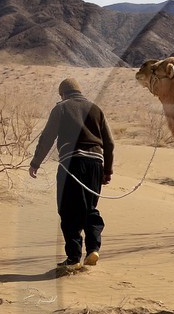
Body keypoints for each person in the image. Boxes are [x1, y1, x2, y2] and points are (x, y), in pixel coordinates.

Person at [29, 78, 114, 272]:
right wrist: (107, 170)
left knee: (68, 210)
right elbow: (109, 143)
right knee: (90, 207)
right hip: (95, 164)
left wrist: (36, 163)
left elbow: (47, 138)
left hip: (71, 164)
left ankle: (74, 258)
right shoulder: (96, 109)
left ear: (63, 94)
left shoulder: (61, 108)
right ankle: (94, 248)